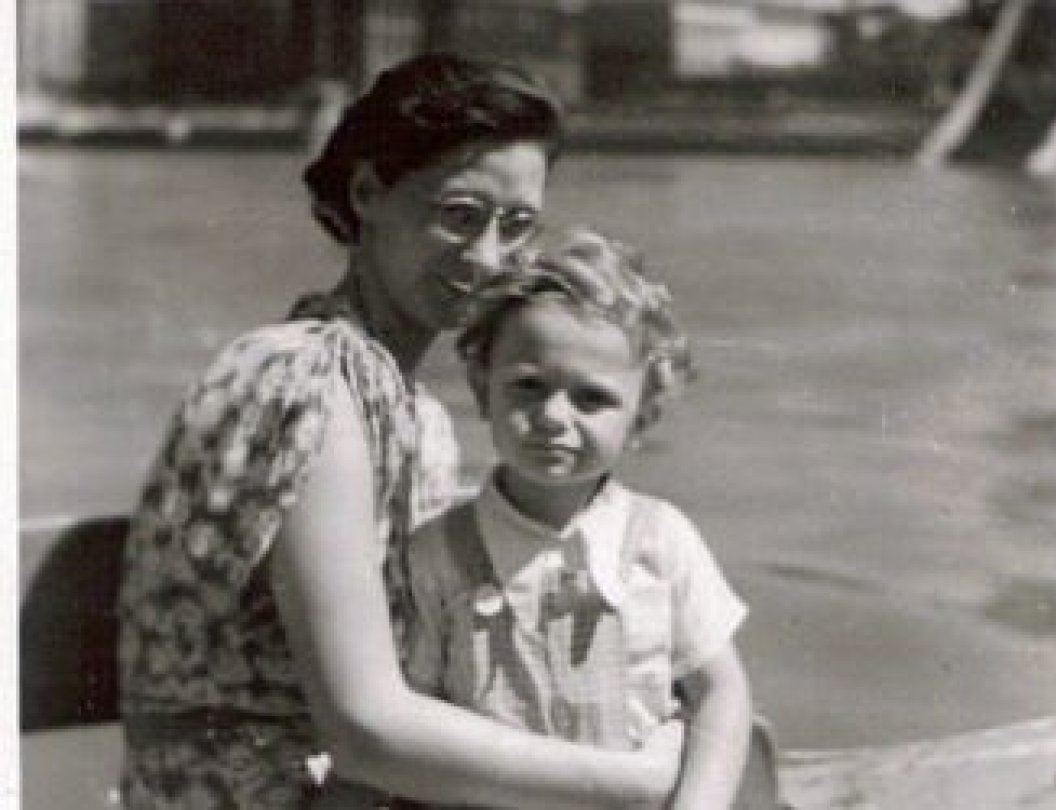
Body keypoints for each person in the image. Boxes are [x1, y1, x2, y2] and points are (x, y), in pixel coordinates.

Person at [116, 53, 684, 808]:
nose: (487, 259)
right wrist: (634, 782)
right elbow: (362, 730)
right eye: (458, 215)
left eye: (517, 227)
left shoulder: (414, 412)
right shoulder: (301, 381)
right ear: (368, 192)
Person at [326, 227, 753, 809]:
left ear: (642, 415)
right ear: (482, 389)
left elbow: (719, 692)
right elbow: (403, 723)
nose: (553, 417)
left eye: (591, 399)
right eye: (528, 387)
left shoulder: (659, 539)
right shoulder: (438, 555)